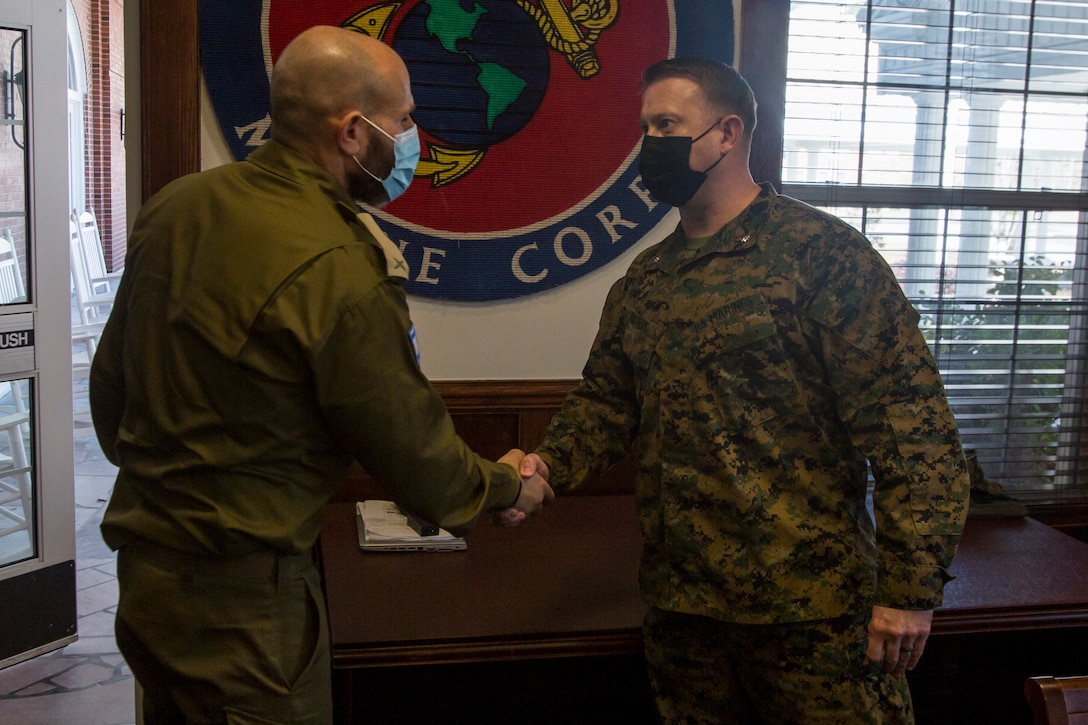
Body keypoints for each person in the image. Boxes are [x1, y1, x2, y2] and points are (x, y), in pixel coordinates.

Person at [90, 26, 553, 724]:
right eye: (402, 119)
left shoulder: (176, 207)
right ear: (351, 133)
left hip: (147, 585)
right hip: (247, 612)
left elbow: (109, 396)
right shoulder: (339, 265)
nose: (411, 137)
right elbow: (419, 464)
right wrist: (511, 483)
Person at [518, 57, 969, 723]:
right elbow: (606, 404)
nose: (651, 143)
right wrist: (543, 465)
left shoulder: (823, 256)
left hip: (811, 615)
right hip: (685, 614)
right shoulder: (646, 280)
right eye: (646, 127)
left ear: (727, 134)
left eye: (667, 124)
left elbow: (913, 428)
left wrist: (909, 589)